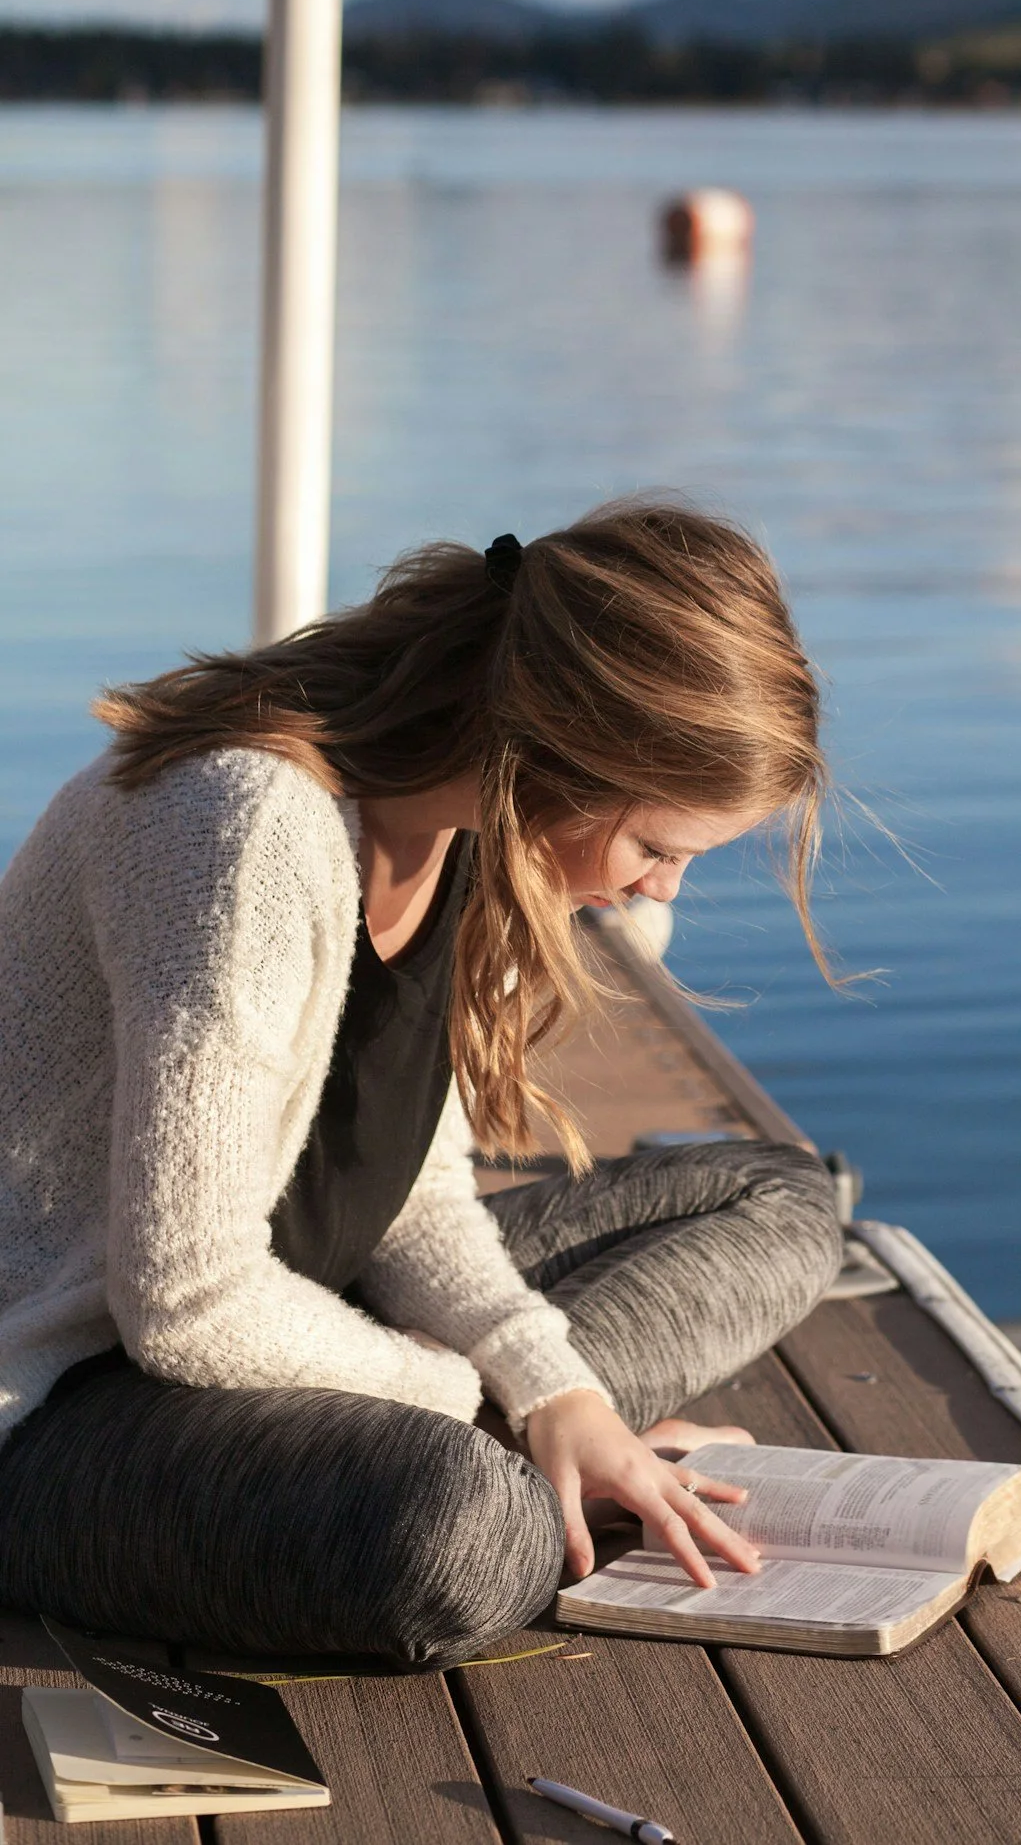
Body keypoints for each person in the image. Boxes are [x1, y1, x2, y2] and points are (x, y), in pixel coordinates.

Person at [0, 500, 843, 1666]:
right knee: (454, 1532)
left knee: (780, 1200)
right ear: (557, 749)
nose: (661, 894)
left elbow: (413, 1192)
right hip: (63, 1397)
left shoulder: (470, 835)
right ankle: (523, 1476)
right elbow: (185, 1301)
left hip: (305, 1323)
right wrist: (469, 1396)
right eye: (656, 847)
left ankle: (563, 1455)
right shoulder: (243, 828)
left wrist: (557, 1394)